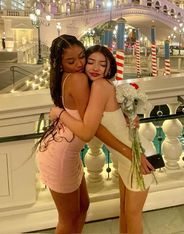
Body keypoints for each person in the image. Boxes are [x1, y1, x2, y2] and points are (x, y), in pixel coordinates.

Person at [36, 35, 152, 234]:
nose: (81, 65)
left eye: (82, 57)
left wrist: (126, 115)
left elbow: (99, 118)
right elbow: (91, 129)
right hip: (66, 154)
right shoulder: (82, 80)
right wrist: (60, 113)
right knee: (72, 218)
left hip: (69, 152)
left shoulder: (87, 82)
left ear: (109, 67)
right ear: (60, 64)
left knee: (87, 209)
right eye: (73, 61)